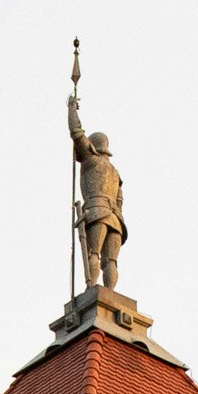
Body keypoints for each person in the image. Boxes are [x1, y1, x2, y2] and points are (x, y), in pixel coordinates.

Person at [68, 84, 126, 296]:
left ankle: (92, 289)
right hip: (117, 219)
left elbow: (76, 133)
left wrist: (71, 108)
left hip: (97, 211)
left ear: (94, 147)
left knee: (94, 253)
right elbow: (120, 201)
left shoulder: (92, 161)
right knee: (111, 260)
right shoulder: (115, 172)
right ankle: (110, 293)